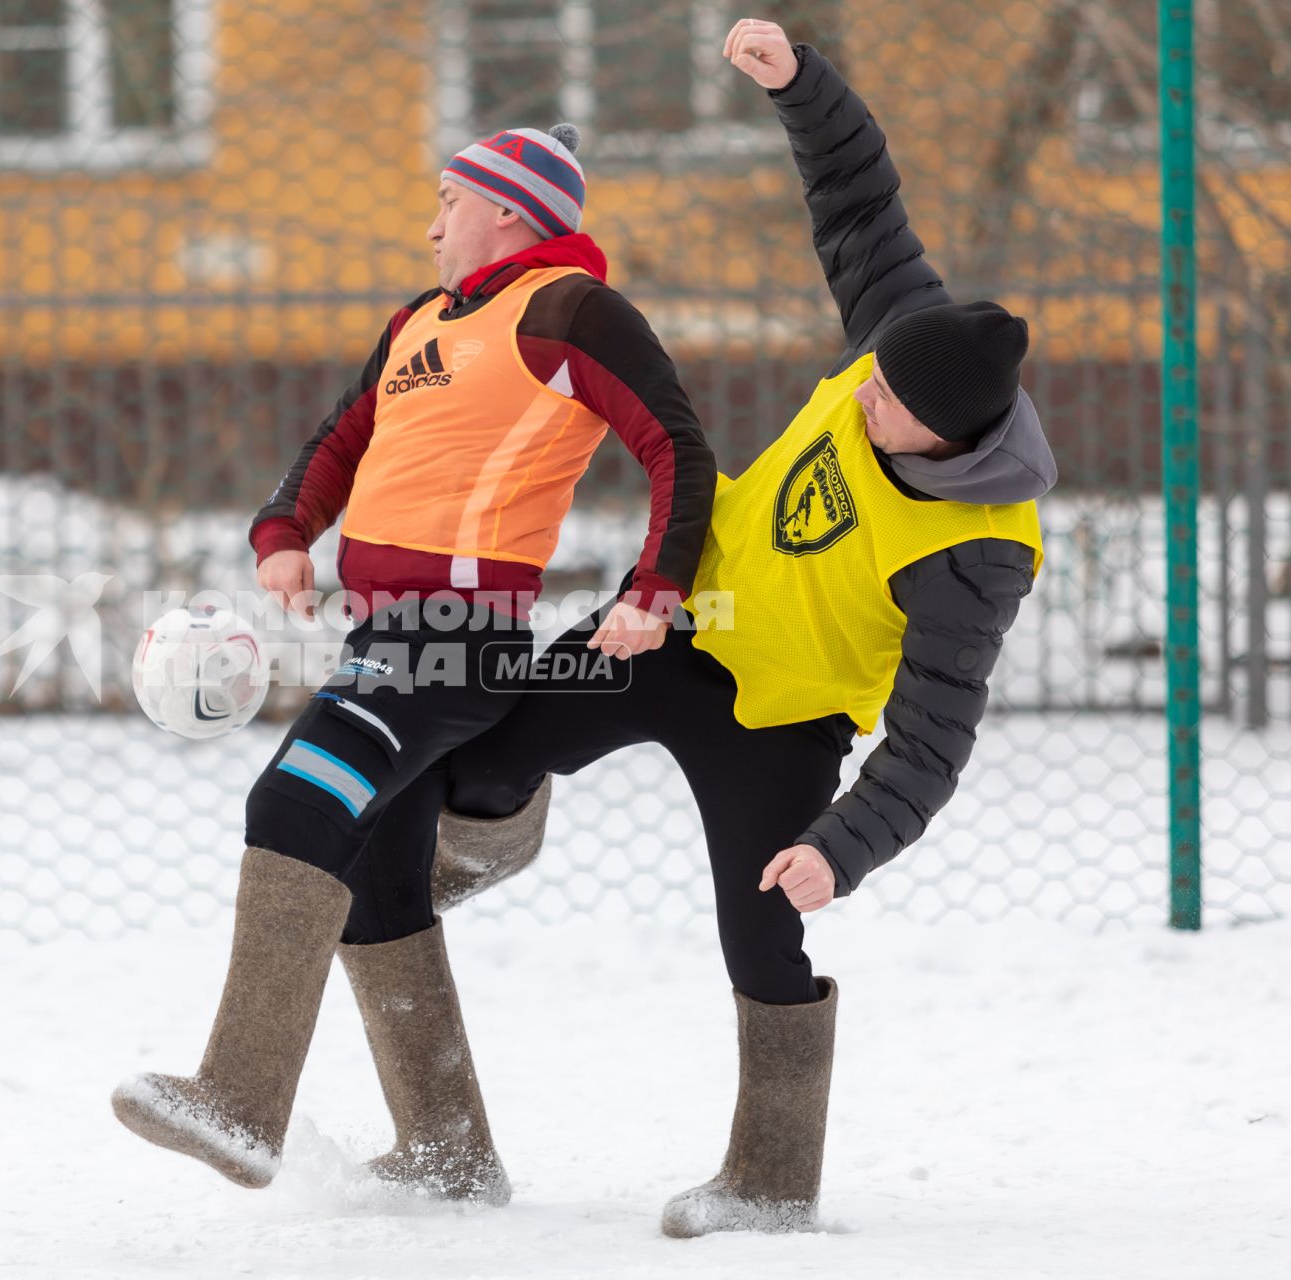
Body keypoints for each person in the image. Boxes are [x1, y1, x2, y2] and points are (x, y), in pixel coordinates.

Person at [430, 19, 1057, 1236]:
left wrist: (845, 845)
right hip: (679, 624)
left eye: (887, 403)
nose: (861, 385)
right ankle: (460, 857)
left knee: (762, 921)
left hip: (786, 716)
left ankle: (770, 1174)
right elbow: (862, 205)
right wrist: (801, 85)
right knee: (498, 743)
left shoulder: (978, 552)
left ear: (949, 440)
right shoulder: (901, 337)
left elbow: (935, 733)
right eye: (871, 371)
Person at [112, 123, 717, 1203]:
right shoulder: (417, 323)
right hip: (385, 635)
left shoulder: (571, 310)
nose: (431, 222)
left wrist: (654, 590)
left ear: (510, 212)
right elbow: (341, 437)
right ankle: (450, 1155)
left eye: (449, 198)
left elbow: (677, 442)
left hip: (452, 639)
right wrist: (286, 528)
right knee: (378, 886)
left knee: (293, 802)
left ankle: (240, 1099)